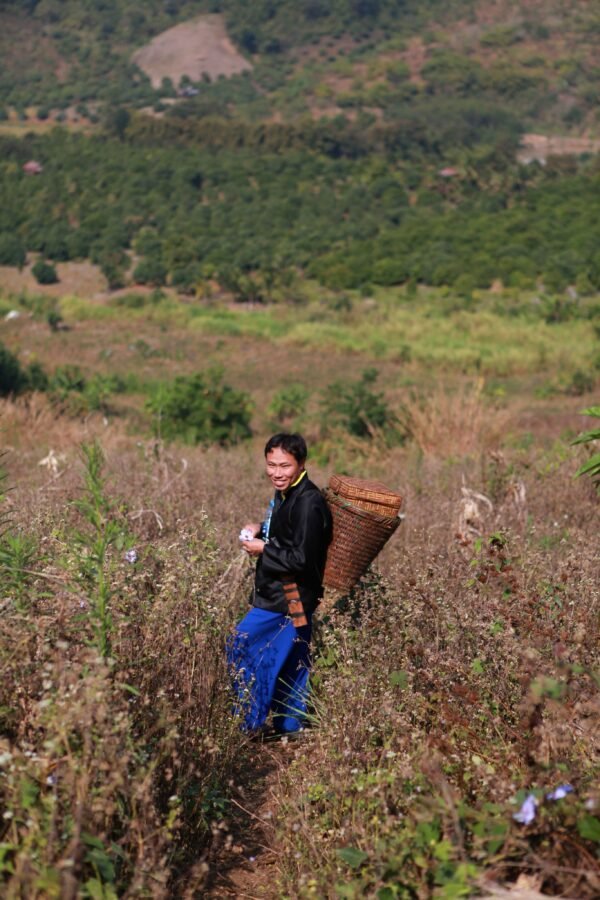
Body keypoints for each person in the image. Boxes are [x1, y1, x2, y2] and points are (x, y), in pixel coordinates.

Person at [227, 433, 332, 736]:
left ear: (301, 464)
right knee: (293, 662)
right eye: (271, 465)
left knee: (241, 645)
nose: (276, 472)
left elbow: (302, 558)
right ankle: (290, 727)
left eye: (285, 466)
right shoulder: (288, 495)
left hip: (287, 597)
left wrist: (263, 549)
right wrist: (259, 528)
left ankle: (247, 723)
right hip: (290, 597)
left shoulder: (309, 502)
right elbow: (286, 530)